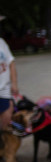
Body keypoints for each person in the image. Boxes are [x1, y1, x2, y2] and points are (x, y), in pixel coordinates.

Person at [0, 18, 19, 149]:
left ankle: (9, 155)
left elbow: (11, 63)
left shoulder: (2, 43)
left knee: (6, 124)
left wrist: (14, 83)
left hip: (4, 90)